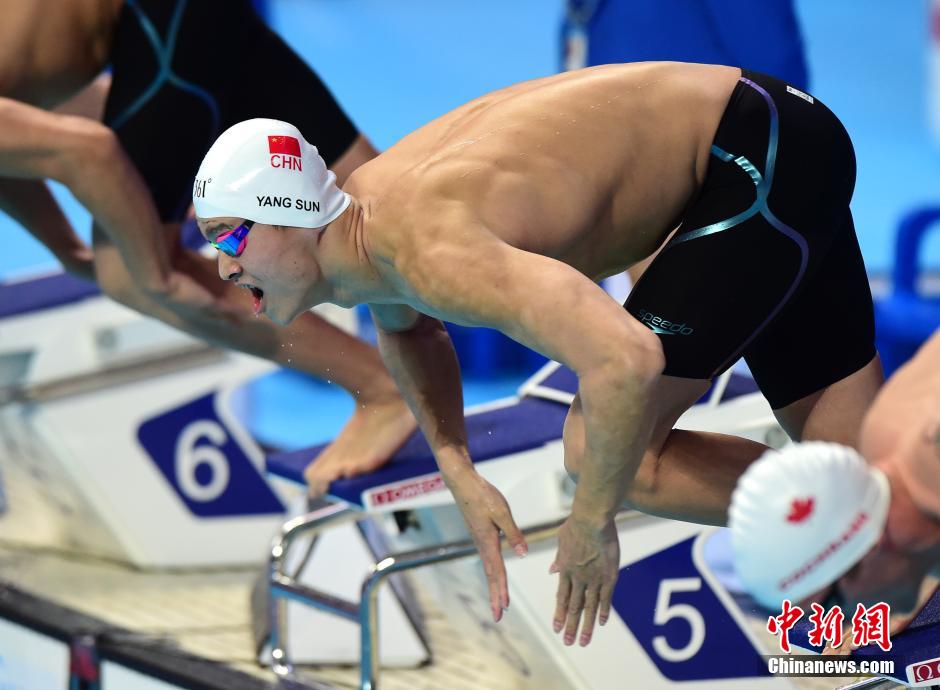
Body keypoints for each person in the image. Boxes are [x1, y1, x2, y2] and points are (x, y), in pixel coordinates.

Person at [193, 62, 882, 648]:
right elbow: (409, 330)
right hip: (779, 134)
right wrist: (457, 466)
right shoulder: (361, 231)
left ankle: (864, 527)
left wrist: (591, 525)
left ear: (287, 214)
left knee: (608, 459)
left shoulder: (429, 250)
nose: (220, 266)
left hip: (752, 160)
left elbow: (625, 360)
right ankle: (876, 524)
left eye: (227, 238)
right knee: (854, 457)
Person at [0, 0, 415, 493]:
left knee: (129, 276)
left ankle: (384, 390)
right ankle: (507, 287)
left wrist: (156, 272)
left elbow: (87, 152)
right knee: (378, 199)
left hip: (159, 21)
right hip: (175, 21)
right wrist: (67, 249)